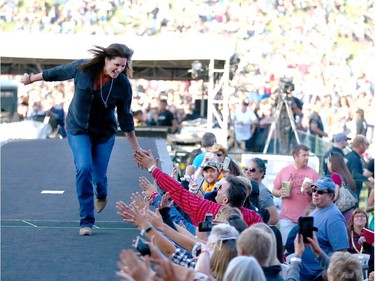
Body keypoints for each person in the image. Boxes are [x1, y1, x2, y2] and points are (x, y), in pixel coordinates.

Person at [21, 43, 143, 236]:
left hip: (104, 133)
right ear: (106, 59)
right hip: (78, 129)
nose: (119, 70)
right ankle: (86, 221)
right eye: (116, 65)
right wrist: (31, 79)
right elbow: (57, 73)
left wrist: (137, 149)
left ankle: (101, 194)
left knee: (99, 177)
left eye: (123, 66)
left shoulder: (122, 85)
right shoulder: (83, 68)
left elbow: (125, 118)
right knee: (84, 167)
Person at [134, 149, 263, 227]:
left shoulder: (208, 209)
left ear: (225, 200)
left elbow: (178, 193)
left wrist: (153, 168)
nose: (216, 190)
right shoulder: (253, 216)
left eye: (220, 189)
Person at [299, 177, 349, 281]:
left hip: (318, 276)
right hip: (306, 274)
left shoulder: (334, 217)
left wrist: (328, 271)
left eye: (320, 192)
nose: (315, 194)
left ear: (331, 195)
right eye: (314, 190)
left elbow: (341, 252)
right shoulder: (316, 211)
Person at [272, 144, 320, 245]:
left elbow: (318, 196)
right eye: (304, 155)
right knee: (286, 246)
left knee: (305, 247)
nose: (307, 158)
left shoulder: (313, 174)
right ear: (295, 156)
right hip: (286, 218)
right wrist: (279, 192)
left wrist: (309, 191)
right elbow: (274, 190)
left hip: (306, 218)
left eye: (308, 155)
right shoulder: (284, 171)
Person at [244, 158, 279, 225]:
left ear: (261, 173)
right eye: (246, 169)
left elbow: (274, 218)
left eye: (252, 170)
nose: (247, 172)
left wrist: (258, 228)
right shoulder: (246, 187)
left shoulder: (263, 192)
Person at [327, 152, 357, 224]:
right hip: (350, 210)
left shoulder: (335, 176)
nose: (327, 165)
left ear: (332, 163)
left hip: (341, 211)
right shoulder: (347, 175)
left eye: (328, 162)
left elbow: (335, 195)